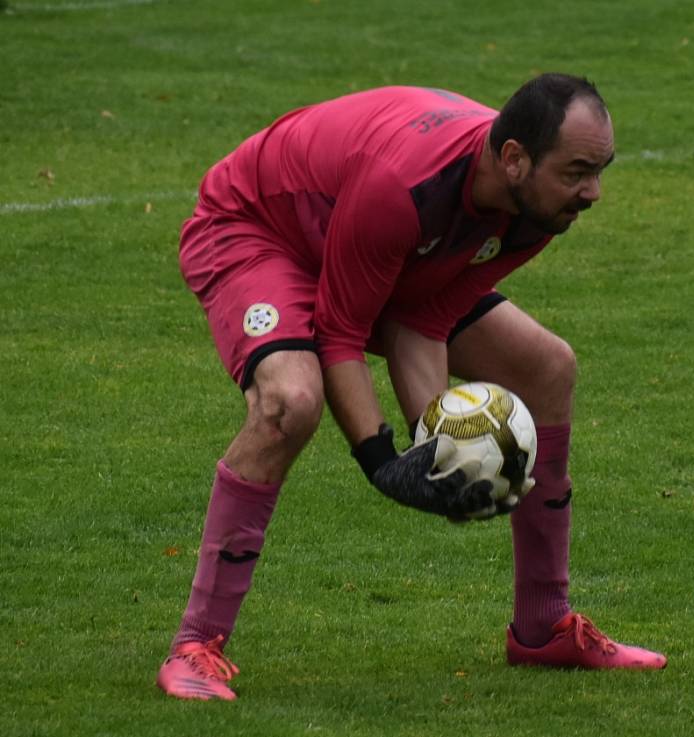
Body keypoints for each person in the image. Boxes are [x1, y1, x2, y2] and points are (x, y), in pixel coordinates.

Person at [156, 74, 667, 701]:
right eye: (579, 171)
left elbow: (420, 320)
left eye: (600, 169)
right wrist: (382, 462)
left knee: (546, 366)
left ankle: (543, 627)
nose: (594, 191)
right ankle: (196, 645)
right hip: (258, 229)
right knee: (289, 402)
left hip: (376, 240)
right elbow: (343, 331)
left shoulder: (535, 206)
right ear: (514, 159)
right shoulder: (403, 187)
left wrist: (451, 450)